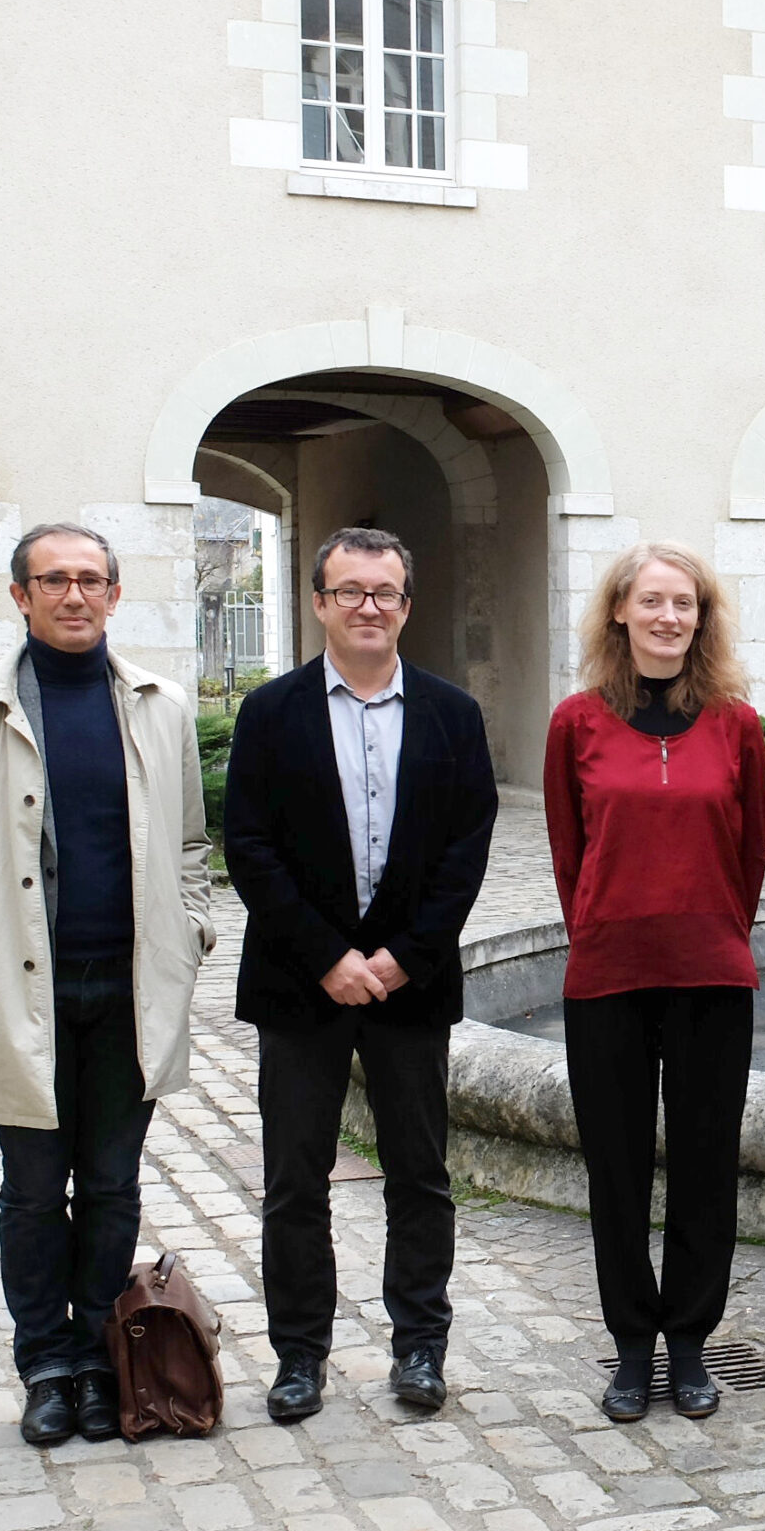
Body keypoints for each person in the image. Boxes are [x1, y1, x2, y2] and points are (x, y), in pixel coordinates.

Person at [0, 523, 216, 1446]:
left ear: (114, 595)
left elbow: (194, 846)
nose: (74, 595)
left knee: (114, 1186)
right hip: (22, 993)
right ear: (22, 596)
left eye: (90, 580)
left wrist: (191, 932)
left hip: (128, 991)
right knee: (35, 1191)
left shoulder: (159, 707)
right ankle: (45, 1363)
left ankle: (98, 1355)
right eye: (54, 581)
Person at [226, 526, 498, 1424]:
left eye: (385, 593)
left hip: (410, 985)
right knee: (295, 1181)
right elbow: (251, 850)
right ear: (319, 603)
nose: (369, 608)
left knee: (420, 1173)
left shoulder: (454, 714)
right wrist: (329, 958)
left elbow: (467, 850)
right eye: (351, 592)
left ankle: (421, 1345)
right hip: (301, 985)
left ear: (406, 606)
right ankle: (299, 1356)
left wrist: (400, 958)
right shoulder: (271, 713)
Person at [545, 542, 765, 1424]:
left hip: (713, 970)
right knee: (617, 1168)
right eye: (653, 602)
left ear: (701, 619)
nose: (670, 617)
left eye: (686, 604)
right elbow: (570, 854)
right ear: (620, 614)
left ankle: (689, 1345)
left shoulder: (736, 724)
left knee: (708, 1166)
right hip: (607, 974)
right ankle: (632, 1347)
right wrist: (607, 929)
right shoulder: (577, 721)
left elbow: (748, 856)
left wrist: (712, 932)